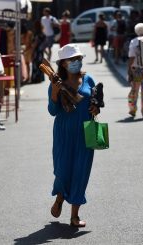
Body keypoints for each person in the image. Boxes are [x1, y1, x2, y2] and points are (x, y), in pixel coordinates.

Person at [48, 44, 100, 227]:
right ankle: (60, 197)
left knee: (81, 171)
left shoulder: (88, 79)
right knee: (63, 170)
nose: (76, 63)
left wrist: (96, 107)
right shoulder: (56, 83)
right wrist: (54, 93)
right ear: (63, 63)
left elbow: (96, 101)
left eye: (78, 59)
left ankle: (75, 216)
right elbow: (52, 111)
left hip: (86, 131)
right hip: (63, 133)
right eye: (72, 60)